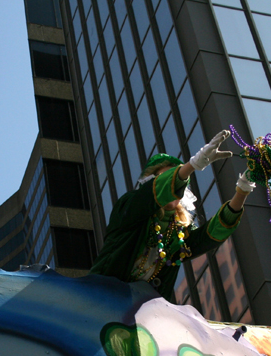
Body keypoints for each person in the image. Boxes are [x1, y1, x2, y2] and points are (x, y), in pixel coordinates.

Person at [90, 130, 255, 303]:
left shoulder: (179, 233)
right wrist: (193, 164)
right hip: (100, 297)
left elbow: (212, 234)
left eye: (180, 185)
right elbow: (153, 194)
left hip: (141, 310)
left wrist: (242, 190)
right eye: (170, 179)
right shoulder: (130, 207)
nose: (175, 187)